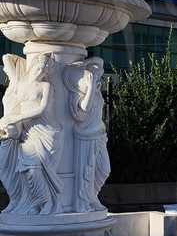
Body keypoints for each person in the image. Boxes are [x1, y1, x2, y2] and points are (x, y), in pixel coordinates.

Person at [0, 53, 63, 215]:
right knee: (30, 168)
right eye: (38, 67)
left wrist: (18, 117)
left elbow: (44, 109)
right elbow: (7, 58)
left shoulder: (46, 86)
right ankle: (36, 202)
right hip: (27, 131)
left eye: (44, 70)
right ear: (32, 66)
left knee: (37, 169)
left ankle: (47, 203)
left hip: (46, 129)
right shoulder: (21, 84)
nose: (40, 72)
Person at [68, 58, 109, 212]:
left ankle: (93, 196)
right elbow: (83, 110)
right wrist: (90, 88)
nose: (98, 78)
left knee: (104, 169)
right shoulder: (77, 94)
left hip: (98, 135)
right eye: (94, 75)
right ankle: (85, 201)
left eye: (99, 75)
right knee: (86, 172)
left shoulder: (96, 93)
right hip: (85, 136)